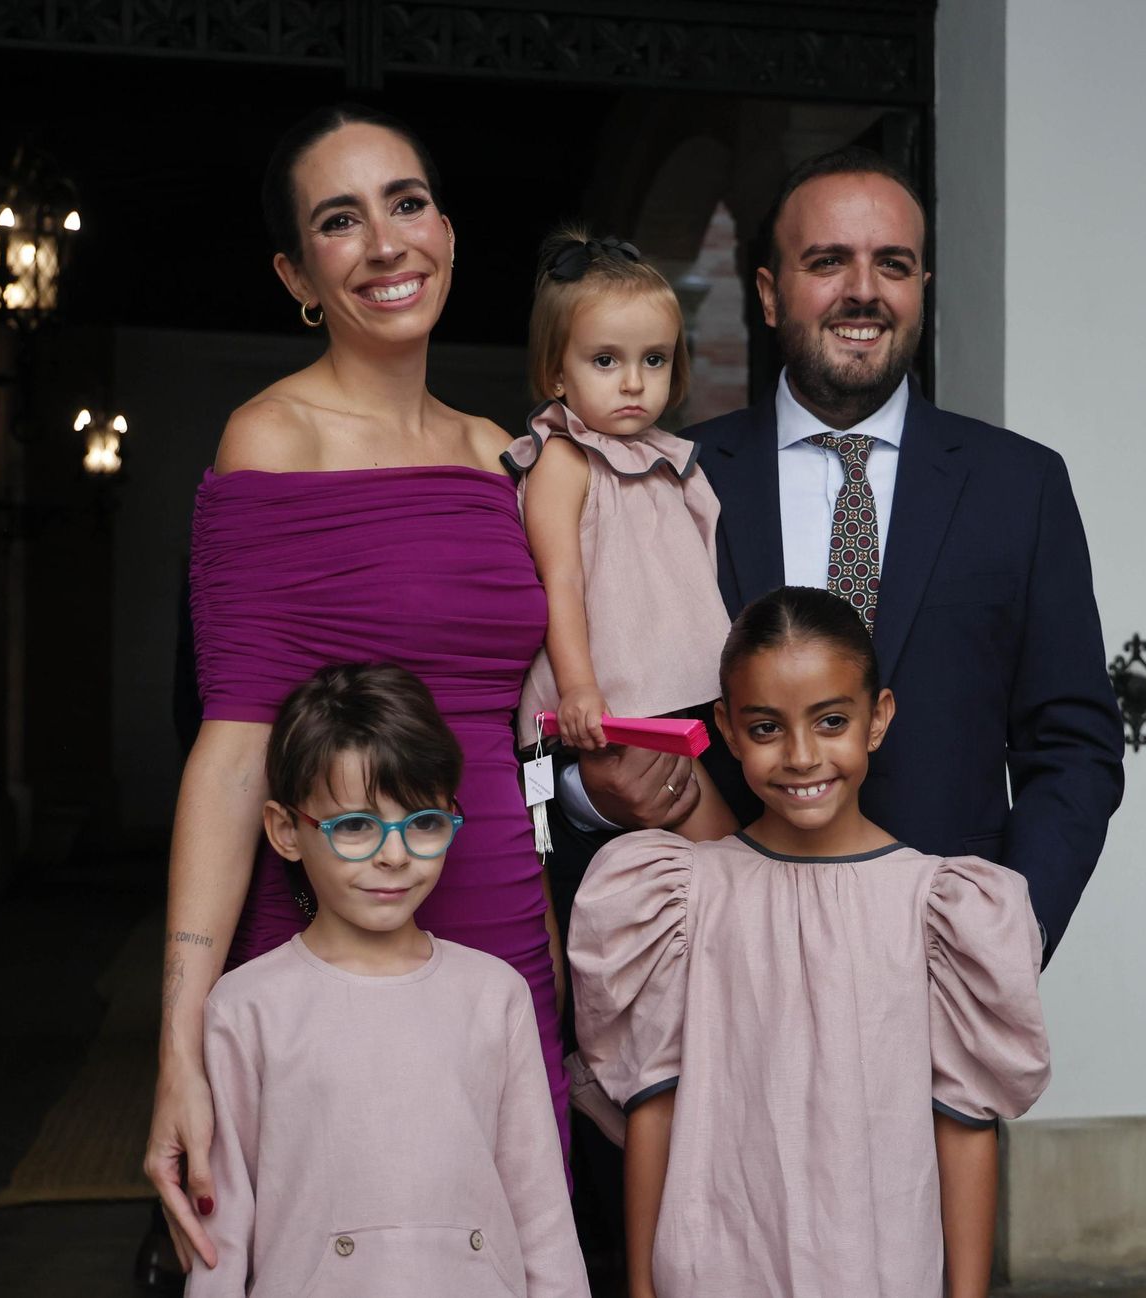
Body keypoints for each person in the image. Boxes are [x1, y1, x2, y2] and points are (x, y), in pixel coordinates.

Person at [145, 103, 567, 1275]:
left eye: (407, 202)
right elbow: (234, 749)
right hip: (332, 926)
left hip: (495, 916)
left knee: (504, 1237)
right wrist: (180, 1045)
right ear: (297, 272)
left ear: (446, 229)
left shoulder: (503, 454)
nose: (385, 243)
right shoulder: (268, 440)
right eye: (341, 221)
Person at [566, 145, 1124, 967]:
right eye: (828, 261)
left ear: (921, 290)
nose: (863, 290)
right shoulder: (662, 480)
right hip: (720, 966)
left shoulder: (1021, 486)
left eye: (892, 264)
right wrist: (592, 795)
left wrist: (1011, 933)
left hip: (941, 967)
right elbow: (599, 723)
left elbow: (1073, 743)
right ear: (766, 292)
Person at [569, 587, 1051, 1298]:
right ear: (726, 731)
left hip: (877, 1266)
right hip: (716, 1265)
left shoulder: (939, 910)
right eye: (766, 729)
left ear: (877, 718)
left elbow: (965, 1123)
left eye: (830, 721)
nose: (801, 755)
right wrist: (640, 1288)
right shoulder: (679, 896)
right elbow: (654, 1104)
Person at [185, 663, 589, 1298]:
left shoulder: (494, 995)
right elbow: (223, 1233)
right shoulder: (246, 1007)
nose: (395, 854)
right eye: (355, 827)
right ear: (287, 831)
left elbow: (541, 1215)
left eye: (423, 822)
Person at [503, 226, 734, 841]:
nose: (633, 381)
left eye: (653, 359)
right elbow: (561, 577)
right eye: (606, 361)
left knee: (707, 859)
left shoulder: (667, 459)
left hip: (669, 696)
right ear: (556, 371)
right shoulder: (563, 460)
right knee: (718, 852)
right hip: (606, 705)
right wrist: (578, 686)